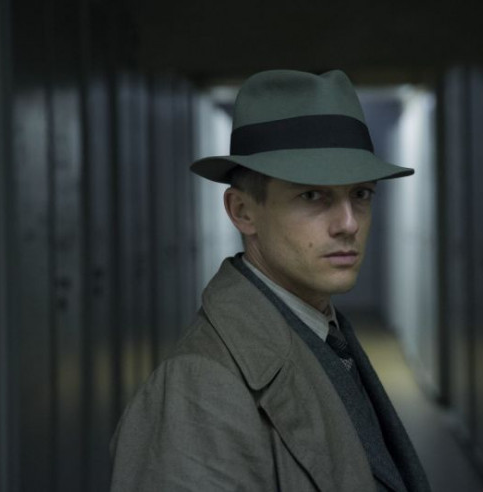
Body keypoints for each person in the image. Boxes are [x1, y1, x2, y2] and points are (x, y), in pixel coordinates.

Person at [110, 69, 430, 492]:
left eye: (361, 194)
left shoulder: (323, 331)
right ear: (242, 211)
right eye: (312, 195)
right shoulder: (199, 388)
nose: (349, 223)